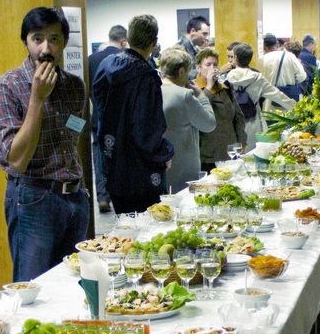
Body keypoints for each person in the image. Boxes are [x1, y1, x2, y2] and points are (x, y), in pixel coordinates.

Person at [0, 6, 90, 282]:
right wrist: (37, 97)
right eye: (37, 39)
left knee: (71, 283)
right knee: (33, 286)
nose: (46, 48)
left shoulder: (75, 86)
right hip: (34, 198)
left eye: (54, 39)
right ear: (26, 42)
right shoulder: (6, 87)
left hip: (75, 197)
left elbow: (73, 136)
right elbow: (16, 160)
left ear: (64, 42)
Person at [93, 14, 174, 213]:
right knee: (149, 223)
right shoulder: (146, 77)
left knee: (124, 222)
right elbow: (146, 128)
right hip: (141, 170)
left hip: (112, 159)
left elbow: (98, 102)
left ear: (128, 38)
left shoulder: (107, 65)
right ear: (154, 43)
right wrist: (165, 153)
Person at [160, 47, 216, 191]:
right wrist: (201, 96)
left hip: (159, 164)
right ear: (181, 71)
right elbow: (209, 124)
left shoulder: (152, 90)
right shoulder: (184, 95)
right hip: (183, 167)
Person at [88, 24, 128, 213]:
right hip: (120, 119)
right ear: (123, 41)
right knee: (119, 156)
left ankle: (102, 196)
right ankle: (118, 193)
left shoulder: (91, 59)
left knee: (99, 157)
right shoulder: (124, 59)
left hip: (98, 116)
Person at [226, 42, 294, 149]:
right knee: (252, 152)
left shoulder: (226, 78)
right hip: (253, 121)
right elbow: (278, 96)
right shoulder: (258, 78)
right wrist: (298, 108)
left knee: (234, 153)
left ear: (235, 58)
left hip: (232, 122)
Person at [195, 47, 247, 172]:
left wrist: (242, 141)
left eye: (215, 65)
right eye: (208, 64)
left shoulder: (225, 87)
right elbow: (199, 112)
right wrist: (209, 87)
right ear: (198, 67)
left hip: (229, 150)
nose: (212, 68)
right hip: (207, 154)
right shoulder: (193, 89)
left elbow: (238, 116)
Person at [262, 33, 306, 101]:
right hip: (290, 99)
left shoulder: (262, 60)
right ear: (277, 43)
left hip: (269, 100)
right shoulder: (289, 56)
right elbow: (302, 77)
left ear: (263, 46)